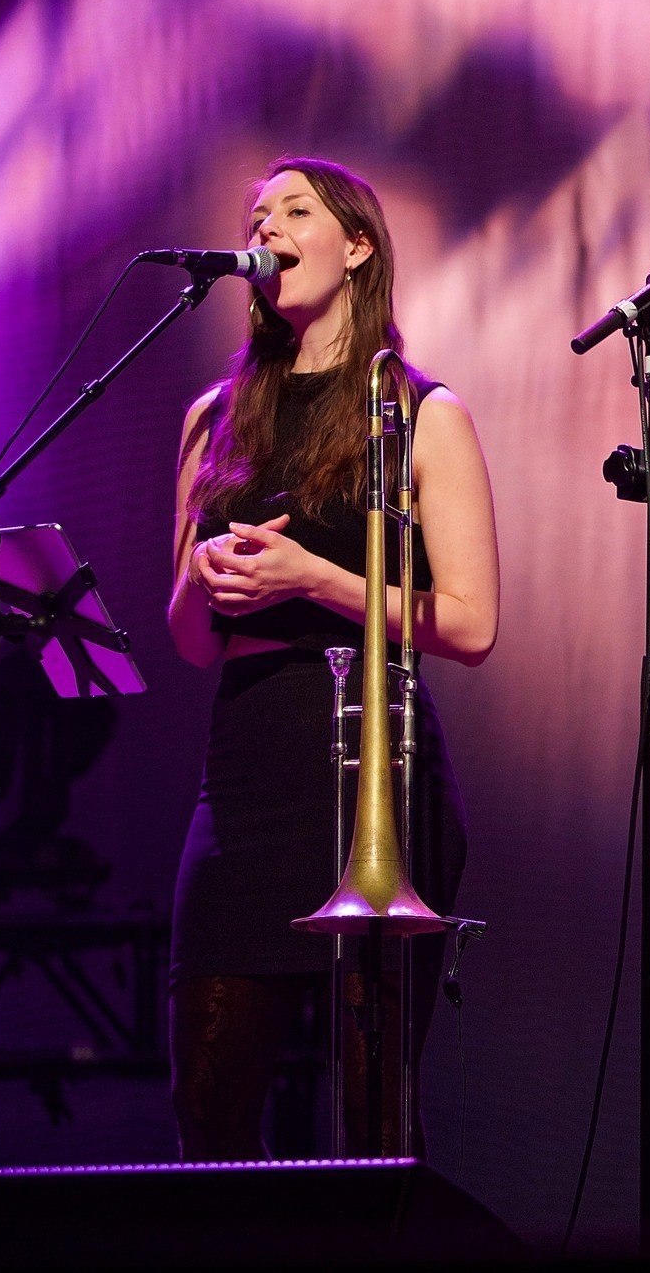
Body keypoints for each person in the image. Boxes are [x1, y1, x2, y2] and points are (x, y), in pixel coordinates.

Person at [165, 156, 499, 1158]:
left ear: (355, 246)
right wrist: (207, 574)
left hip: (373, 774)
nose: (265, 225)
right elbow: (188, 638)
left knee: (371, 1116)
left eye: (293, 210)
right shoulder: (213, 416)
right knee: (209, 1106)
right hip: (246, 770)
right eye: (254, 213)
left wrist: (312, 578)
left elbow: (473, 625)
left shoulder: (423, 412)